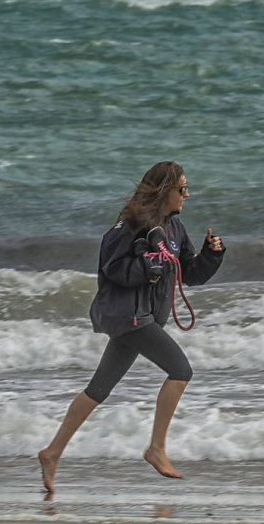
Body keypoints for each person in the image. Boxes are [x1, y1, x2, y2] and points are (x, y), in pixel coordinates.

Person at [38, 161, 225, 493]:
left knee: (98, 389)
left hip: (144, 319)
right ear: (164, 190)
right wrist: (148, 265)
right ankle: (156, 449)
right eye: (182, 189)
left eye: (186, 188)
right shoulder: (126, 229)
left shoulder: (176, 230)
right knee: (181, 370)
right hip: (130, 316)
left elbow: (189, 274)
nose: (187, 194)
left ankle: (52, 453)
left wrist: (212, 256)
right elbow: (113, 269)